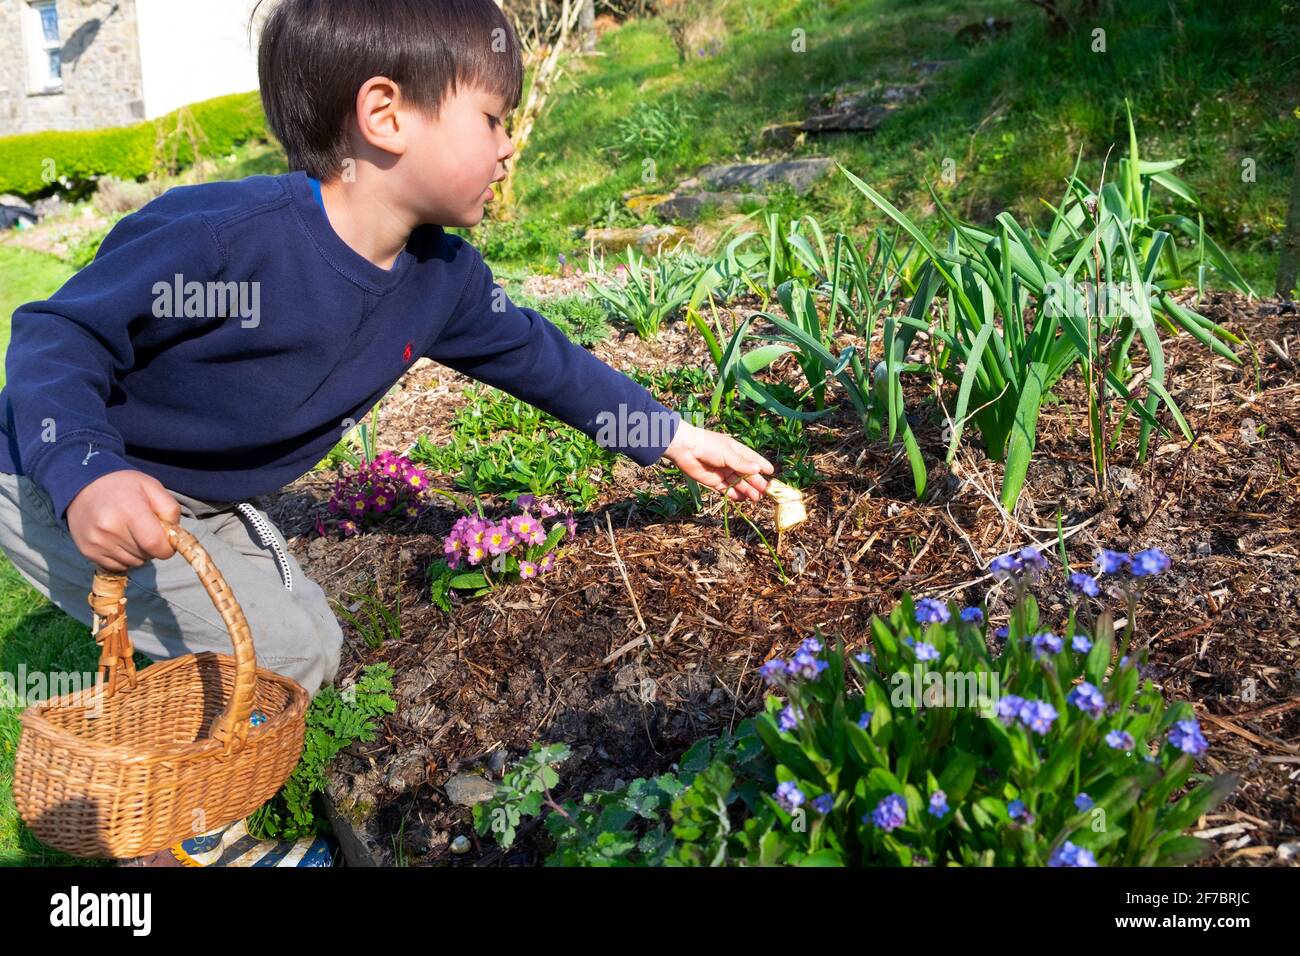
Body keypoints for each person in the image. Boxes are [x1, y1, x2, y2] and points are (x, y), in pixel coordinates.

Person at [0, 0, 773, 707]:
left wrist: (672, 436)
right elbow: (57, 335)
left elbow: (545, 364)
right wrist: (83, 472)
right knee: (286, 654)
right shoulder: (225, 236)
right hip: (52, 473)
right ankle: (170, 837)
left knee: (317, 638)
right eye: (494, 120)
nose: (510, 149)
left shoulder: (440, 279)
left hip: (190, 493)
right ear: (385, 115)